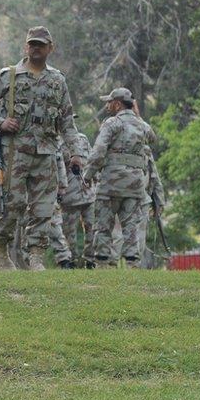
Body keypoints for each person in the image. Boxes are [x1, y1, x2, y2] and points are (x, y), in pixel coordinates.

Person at [0, 26, 83, 271]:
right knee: (10, 203)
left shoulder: (57, 80)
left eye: (41, 44)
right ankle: (0, 247)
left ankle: (36, 256)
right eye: (32, 43)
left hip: (46, 152)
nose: (35, 48)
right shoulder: (9, 76)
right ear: (26, 46)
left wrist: (75, 152)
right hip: (15, 151)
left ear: (50, 48)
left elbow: (67, 120)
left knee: (44, 208)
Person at [84, 87, 157, 268]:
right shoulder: (143, 126)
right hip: (134, 185)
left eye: (109, 102)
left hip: (110, 184)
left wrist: (88, 175)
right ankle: (133, 265)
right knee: (130, 226)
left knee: (103, 226)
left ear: (117, 104)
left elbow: (99, 152)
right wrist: (137, 117)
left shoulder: (112, 123)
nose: (107, 105)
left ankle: (102, 265)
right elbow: (153, 138)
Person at [60, 132, 97, 268]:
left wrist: (95, 180)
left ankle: (90, 261)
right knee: (69, 233)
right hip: (69, 197)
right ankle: (72, 261)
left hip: (88, 193)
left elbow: (92, 160)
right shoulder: (57, 142)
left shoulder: (83, 138)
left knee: (92, 228)